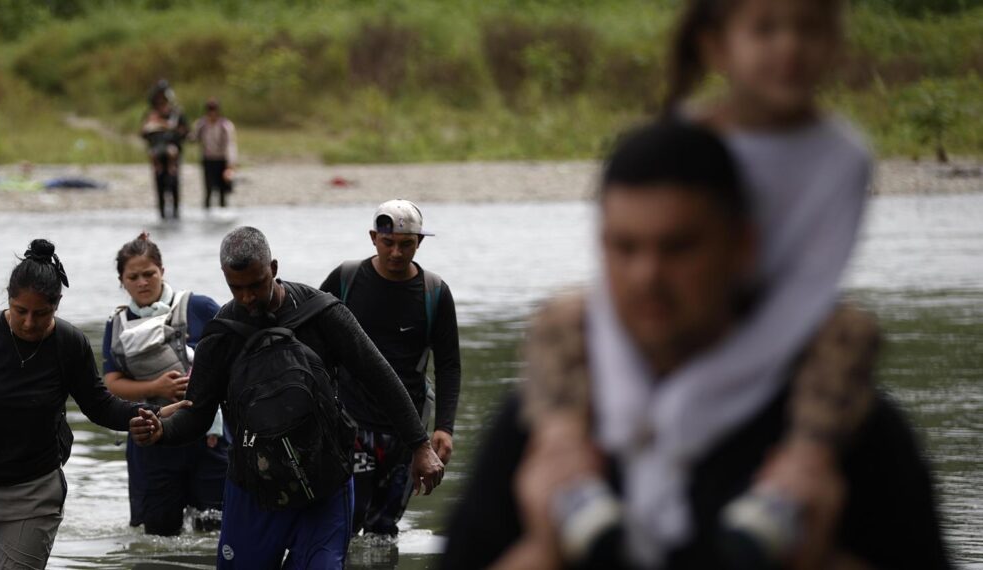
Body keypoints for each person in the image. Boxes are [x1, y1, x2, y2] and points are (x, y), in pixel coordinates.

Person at [440, 122, 950, 569]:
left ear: (743, 247)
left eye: (678, 247)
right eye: (625, 247)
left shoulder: (845, 430)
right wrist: (547, 551)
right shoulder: (541, 424)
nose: (647, 277)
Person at [130, 226, 446, 569]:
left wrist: (420, 444)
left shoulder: (323, 313)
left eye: (256, 284)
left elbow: (381, 377)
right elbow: (197, 415)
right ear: (225, 277)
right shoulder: (221, 336)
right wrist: (163, 432)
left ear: (274, 269)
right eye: (237, 288)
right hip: (253, 487)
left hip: (325, 481)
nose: (248, 297)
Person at [0, 239, 186, 570]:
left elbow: (100, 406)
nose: (28, 323)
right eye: (20, 311)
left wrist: (155, 414)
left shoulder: (69, 344)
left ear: (57, 304)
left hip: (34, 491)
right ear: (9, 300)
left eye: (42, 313)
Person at [318, 199, 462, 537]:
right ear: (373, 238)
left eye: (406, 244)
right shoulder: (345, 280)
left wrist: (444, 427)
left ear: (419, 243)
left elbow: (449, 364)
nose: (396, 253)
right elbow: (311, 339)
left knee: (384, 529)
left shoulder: (435, 293)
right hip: (351, 423)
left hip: (408, 430)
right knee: (347, 523)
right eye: (388, 243)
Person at [101, 232, 229, 535]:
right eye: (133, 277)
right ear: (122, 281)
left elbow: (233, 357)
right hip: (149, 440)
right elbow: (111, 383)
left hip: (207, 439)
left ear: (162, 271)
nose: (143, 282)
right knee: (158, 532)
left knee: (214, 530)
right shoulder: (116, 324)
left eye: (149, 274)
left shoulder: (199, 307)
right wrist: (156, 388)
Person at [141, 80, 189, 220]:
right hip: (157, 154)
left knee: (173, 183)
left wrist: (172, 130)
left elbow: (185, 132)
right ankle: (162, 214)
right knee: (159, 184)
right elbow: (144, 133)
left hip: (173, 155)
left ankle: (175, 213)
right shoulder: (151, 114)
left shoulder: (176, 114)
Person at [191, 99, 238, 210]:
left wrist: (230, 165)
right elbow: (194, 138)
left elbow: (230, 145)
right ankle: (207, 213)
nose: (212, 113)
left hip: (222, 160)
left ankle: (223, 212)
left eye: (214, 110)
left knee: (222, 191)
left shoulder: (225, 125)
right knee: (208, 189)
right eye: (209, 110)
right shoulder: (201, 124)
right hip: (208, 160)